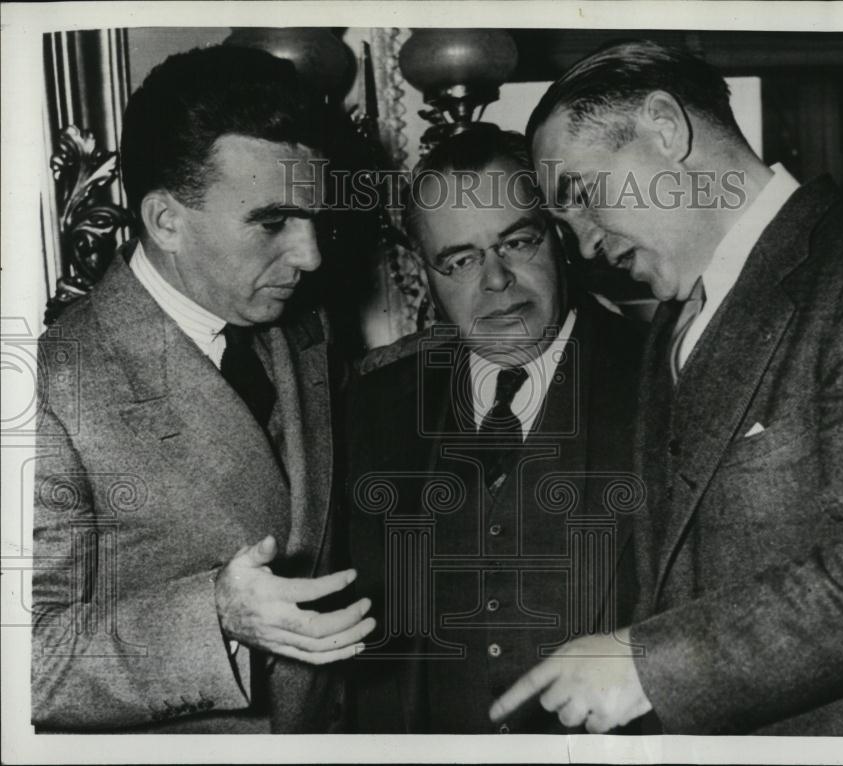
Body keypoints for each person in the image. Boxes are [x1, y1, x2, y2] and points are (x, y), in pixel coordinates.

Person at [490, 41, 843, 735]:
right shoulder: (673, 324)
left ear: (665, 128)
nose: (584, 245)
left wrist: (648, 666)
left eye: (582, 196)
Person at [31, 45, 375, 733]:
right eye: (273, 222)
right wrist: (216, 615)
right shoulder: (51, 386)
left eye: (314, 219)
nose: (309, 255)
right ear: (166, 221)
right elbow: (26, 662)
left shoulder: (302, 327)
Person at [345, 126, 646, 733]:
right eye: (460, 260)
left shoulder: (658, 377)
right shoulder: (373, 408)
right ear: (425, 274)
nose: (496, 280)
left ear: (558, 237)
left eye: (517, 242)